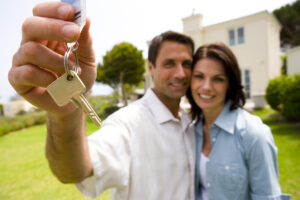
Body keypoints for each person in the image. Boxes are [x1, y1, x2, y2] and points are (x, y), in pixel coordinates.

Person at [8, 2, 196, 199]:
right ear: (150, 68)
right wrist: (67, 112)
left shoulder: (188, 120)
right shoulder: (129, 123)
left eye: (187, 64)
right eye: (169, 63)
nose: (181, 73)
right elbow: (74, 170)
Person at [186, 42, 291, 200]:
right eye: (199, 76)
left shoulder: (254, 135)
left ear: (230, 84)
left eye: (218, 79)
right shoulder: (192, 132)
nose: (206, 87)